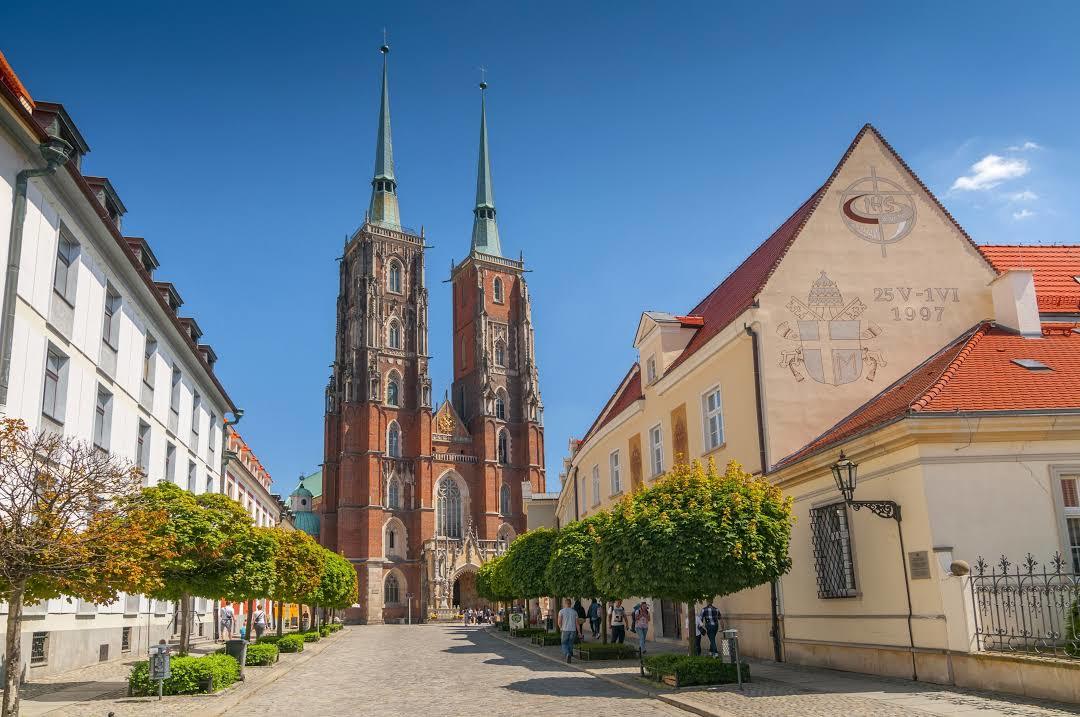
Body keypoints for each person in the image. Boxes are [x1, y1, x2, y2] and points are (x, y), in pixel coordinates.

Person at [557, 598, 579, 664]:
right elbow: (577, 623)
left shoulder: (561, 611)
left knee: (564, 643)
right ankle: (569, 654)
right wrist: (579, 632)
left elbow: (559, 622)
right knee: (570, 643)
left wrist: (561, 628)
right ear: (570, 604)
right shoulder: (574, 612)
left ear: (565, 603)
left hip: (565, 630)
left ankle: (567, 654)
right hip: (573, 630)